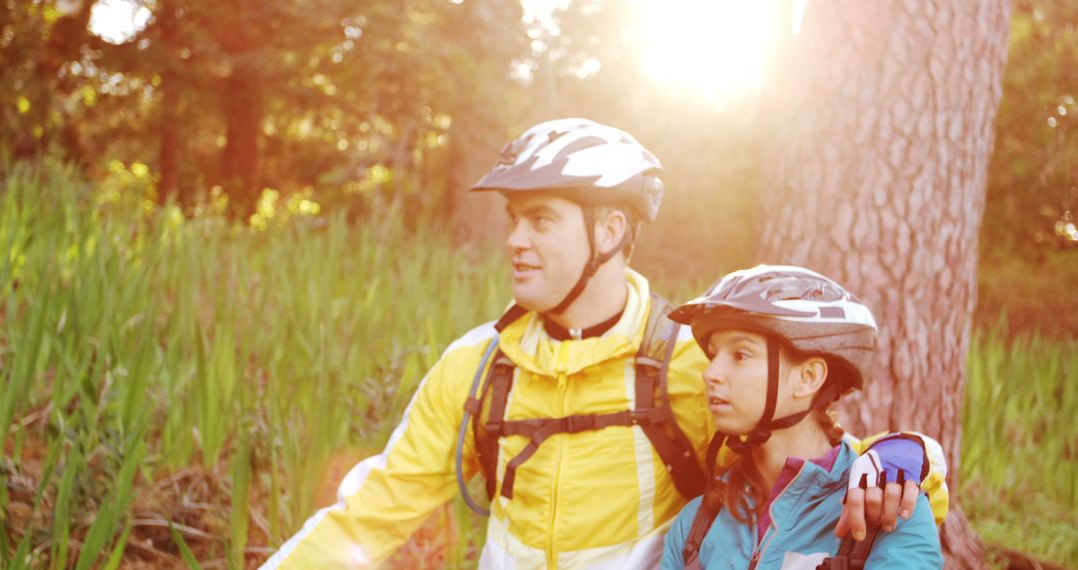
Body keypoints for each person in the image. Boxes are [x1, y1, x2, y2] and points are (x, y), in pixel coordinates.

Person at [261, 119, 947, 569]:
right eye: (512, 220)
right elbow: (370, 517)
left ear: (610, 230)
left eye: (540, 220)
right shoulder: (477, 369)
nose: (514, 241)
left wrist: (908, 456)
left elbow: (811, 458)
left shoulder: (687, 361)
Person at [660, 265, 944, 569]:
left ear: (808, 377)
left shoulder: (890, 510)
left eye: (740, 355)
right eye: (714, 355)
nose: (710, 374)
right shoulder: (696, 524)